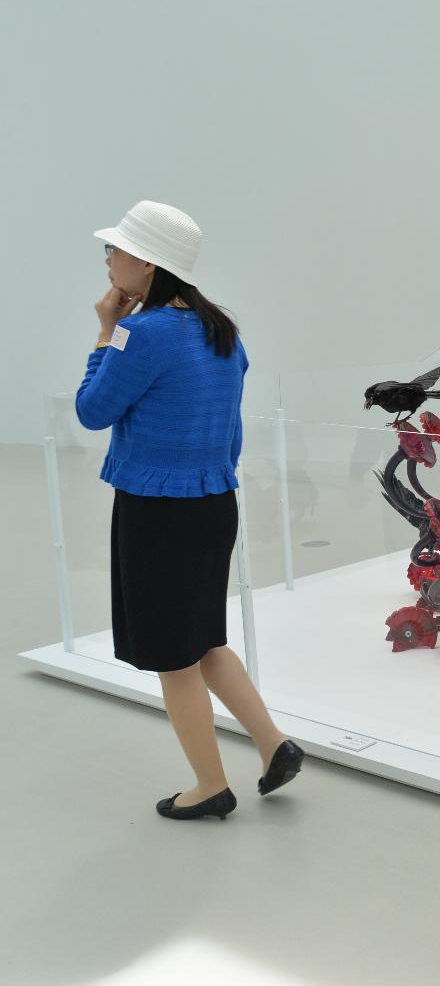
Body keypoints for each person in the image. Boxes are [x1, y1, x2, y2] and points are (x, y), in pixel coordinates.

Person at [76, 200, 304, 821]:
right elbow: (229, 431)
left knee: (171, 657)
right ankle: (274, 744)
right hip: (212, 504)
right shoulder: (221, 330)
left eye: (116, 250)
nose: (108, 260)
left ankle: (210, 787)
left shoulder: (139, 333)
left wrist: (105, 331)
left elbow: (92, 410)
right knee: (203, 639)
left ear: (148, 263)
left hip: (157, 513)